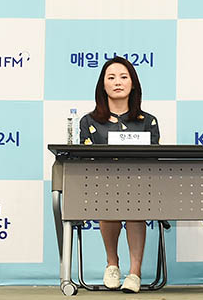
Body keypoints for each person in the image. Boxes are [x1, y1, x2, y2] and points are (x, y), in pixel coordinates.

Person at [78, 56, 161, 293]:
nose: (117, 82)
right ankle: (112, 264)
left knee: (135, 203)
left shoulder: (148, 121)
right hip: (103, 186)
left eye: (124, 77)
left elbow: (154, 159)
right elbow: (86, 159)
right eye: (111, 77)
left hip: (140, 187)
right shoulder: (89, 121)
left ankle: (135, 272)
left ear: (133, 84)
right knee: (110, 198)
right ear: (102, 85)